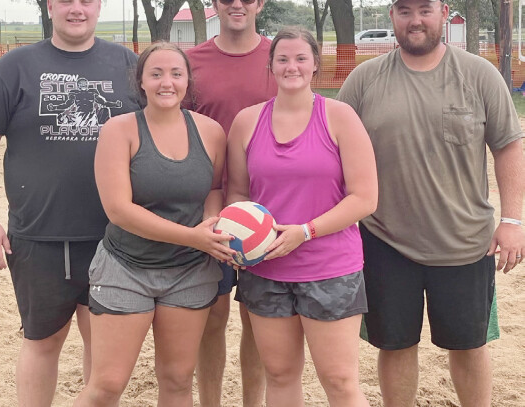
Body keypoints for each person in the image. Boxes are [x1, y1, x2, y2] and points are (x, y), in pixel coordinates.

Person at [337, 0, 525, 406]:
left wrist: (512, 219)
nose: (415, 20)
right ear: (392, 17)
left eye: (425, 9)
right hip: (384, 240)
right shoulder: (364, 79)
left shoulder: (479, 75)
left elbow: (509, 145)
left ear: (443, 11)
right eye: (404, 10)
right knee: (395, 344)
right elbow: (331, 147)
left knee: (469, 345)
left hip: (464, 241)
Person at [0, 0, 140, 405]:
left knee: (102, 350)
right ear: (50, 5)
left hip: (113, 237)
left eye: (86, 0)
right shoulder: (13, 67)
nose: (77, 9)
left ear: (99, 6)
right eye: (66, 0)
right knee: (41, 341)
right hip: (38, 234)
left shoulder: (127, 64)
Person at [73, 41, 236, 407]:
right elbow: (119, 210)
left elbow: (213, 188)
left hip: (189, 272)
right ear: (141, 81)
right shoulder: (120, 130)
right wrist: (194, 237)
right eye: (157, 73)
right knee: (108, 384)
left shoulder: (210, 132)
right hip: (126, 267)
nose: (167, 82)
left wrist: (211, 222)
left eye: (176, 74)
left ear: (188, 81)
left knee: (178, 380)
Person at [227, 27, 378, 406]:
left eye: (300, 58)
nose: (291, 66)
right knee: (278, 376)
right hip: (266, 270)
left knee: (340, 380)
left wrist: (306, 232)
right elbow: (239, 193)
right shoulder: (247, 121)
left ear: (315, 66)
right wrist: (240, 240)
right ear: (271, 66)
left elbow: (364, 197)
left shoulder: (340, 116)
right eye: (283, 59)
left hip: (330, 267)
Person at [185, 0, 277, 405]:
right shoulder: (190, 63)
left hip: (269, 215)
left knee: (258, 323)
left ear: (260, 3)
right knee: (211, 321)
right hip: (207, 214)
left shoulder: (281, 59)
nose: (236, 3)